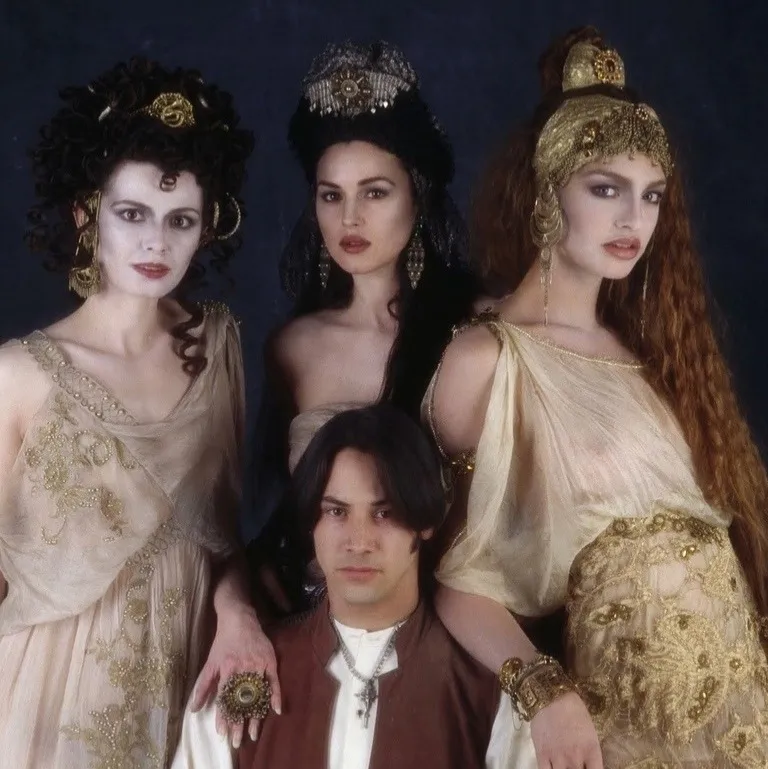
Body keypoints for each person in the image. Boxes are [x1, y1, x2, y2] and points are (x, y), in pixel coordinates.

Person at [427, 26, 768, 769]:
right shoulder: (488, 360)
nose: (632, 219)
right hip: (621, 723)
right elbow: (453, 577)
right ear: (546, 191)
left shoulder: (651, 357)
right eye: (605, 189)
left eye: (650, 196)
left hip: (741, 715)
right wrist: (542, 690)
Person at [0, 58, 279, 767]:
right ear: (85, 215)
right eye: (131, 214)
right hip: (45, 702)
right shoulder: (17, 375)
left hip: (185, 684)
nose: (157, 242)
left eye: (180, 220)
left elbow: (221, 536)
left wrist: (238, 611)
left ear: (206, 228)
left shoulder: (216, 346)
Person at [249, 41, 480, 615]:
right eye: (332, 195)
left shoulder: (472, 331)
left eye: (375, 192)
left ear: (417, 199)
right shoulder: (293, 348)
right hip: (313, 621)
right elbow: (275, 520)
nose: (349, 218)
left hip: (443, 622)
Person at [175, 405, 523, 768]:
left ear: (425, 523)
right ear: (311, 522)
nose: (358, 542)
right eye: (336, 512)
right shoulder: (246, 670)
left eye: (384, 513)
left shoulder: (488, 691)